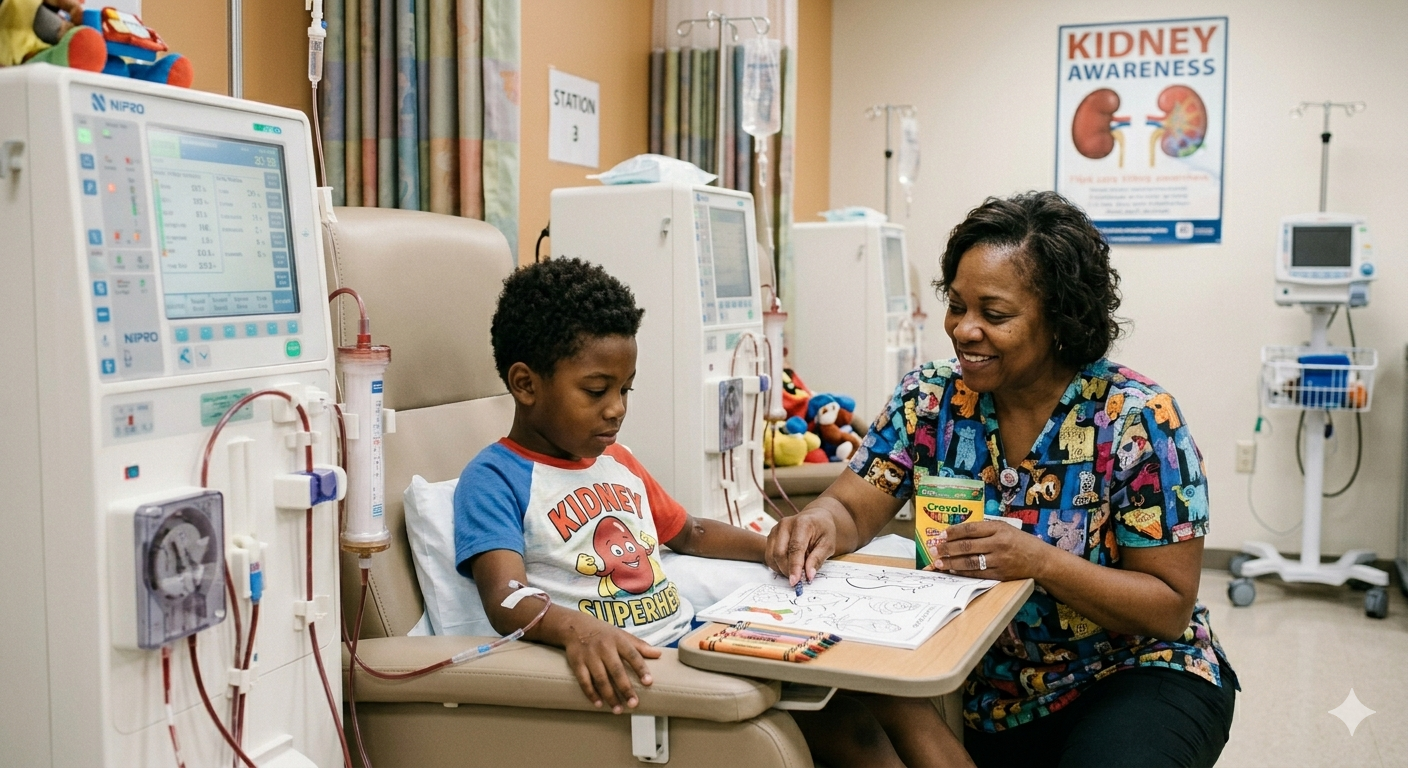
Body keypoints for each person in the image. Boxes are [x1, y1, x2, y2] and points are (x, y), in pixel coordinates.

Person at [767, 192, 1238, 768]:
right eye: (956, 306)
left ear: (1060, 319)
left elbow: (1167, 606)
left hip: (1134, 672)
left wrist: (1040, 561)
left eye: (994, 315)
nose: (964, 330)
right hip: (993, 694)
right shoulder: (929, 400)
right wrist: (817, 521)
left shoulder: (1137, 420)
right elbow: (850, 509)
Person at [455, 258, 971, 767]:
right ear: (526, 384)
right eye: (596, 391)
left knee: (887, 692)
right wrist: (578, 631)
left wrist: (775, 547)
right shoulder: (495, 477)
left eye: (625, 389)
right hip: (648, 664)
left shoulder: (617, 463)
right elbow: (505, 596)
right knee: (849, 730)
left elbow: (692, 532)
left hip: (699, 637)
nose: (617, 408)